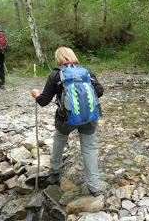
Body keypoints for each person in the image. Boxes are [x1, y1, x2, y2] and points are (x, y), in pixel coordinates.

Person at [31, 46, 104, 196]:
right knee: (89, 149)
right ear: (73, 56)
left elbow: (44, 101)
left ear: (58, 59)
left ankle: (55, 172)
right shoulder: (86, 72)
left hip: (66, 120)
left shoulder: (56, 75)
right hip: (89, 119)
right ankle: (95, 187)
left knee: (60, 138)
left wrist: (36, 94)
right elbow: (100, 91)